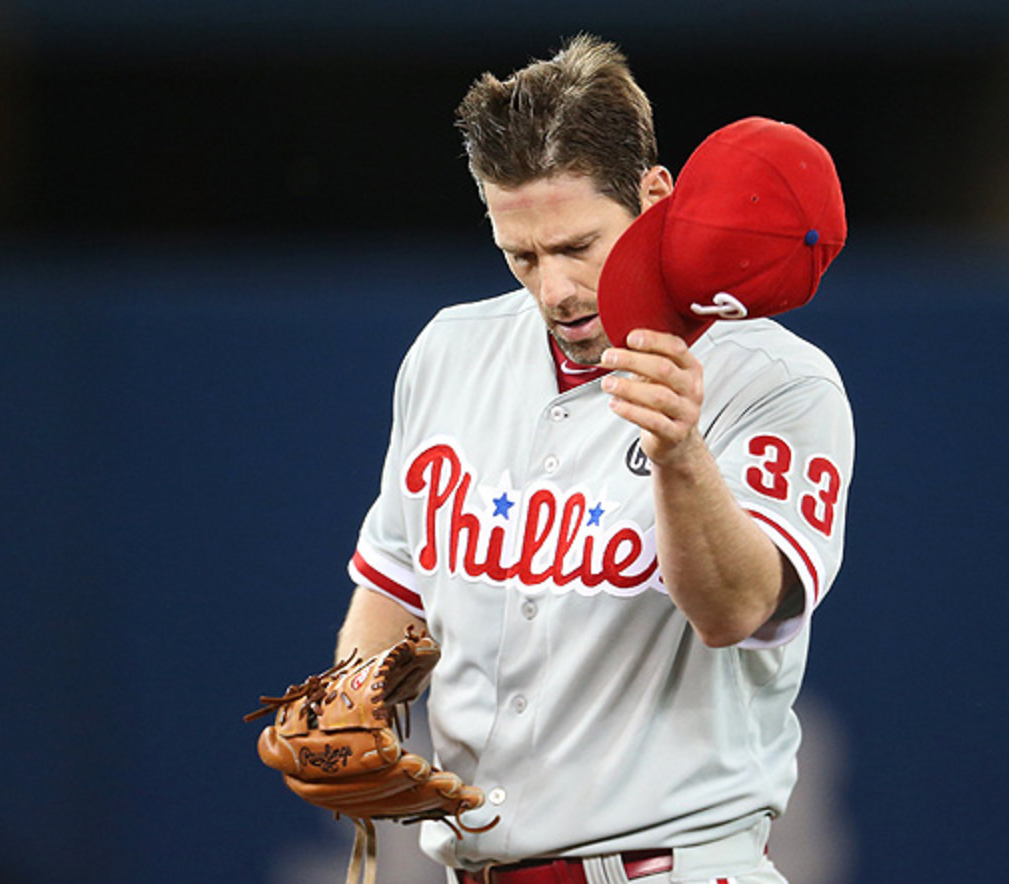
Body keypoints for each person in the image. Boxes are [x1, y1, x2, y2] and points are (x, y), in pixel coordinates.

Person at [335, 33, 853, 884]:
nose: (555, 290)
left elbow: (739, 610)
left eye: (578, 246)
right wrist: (355, 696)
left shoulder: (776, 378)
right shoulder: (449, 351)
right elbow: (397, 584)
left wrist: (680, 454)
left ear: (655, 197)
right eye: (522, 255)